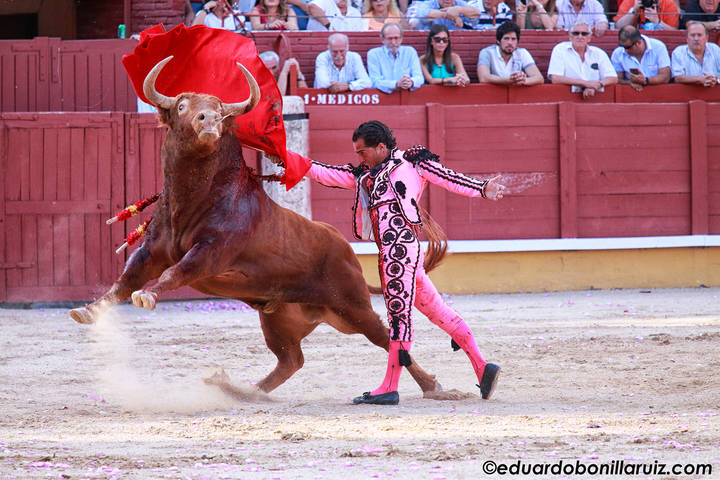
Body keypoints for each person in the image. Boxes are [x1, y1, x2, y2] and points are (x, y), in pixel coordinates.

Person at [273, 121, 505, 405]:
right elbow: (327, 173)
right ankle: (482, 367)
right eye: (358, 153)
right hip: (404, 252)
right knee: (437, 311)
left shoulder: (412, 162)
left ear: (381, 147)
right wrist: (288, 158)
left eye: (363, 152)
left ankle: (389, 386)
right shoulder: (366, 174)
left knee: (399, 318)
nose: (360, 158)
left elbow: (449, 178)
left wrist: (481, 188)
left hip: (398, 253)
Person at [548, 21, 618, 98]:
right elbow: (556, 78)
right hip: (566, 97)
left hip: (595, 98)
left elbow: (613, 78)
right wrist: (586, 84)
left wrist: (596, 85)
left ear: (589, 38)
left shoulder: (598, 53)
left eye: (584, 34)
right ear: (570, 36)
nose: (580, 36)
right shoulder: (560, 49)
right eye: (576, 33)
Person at [477, 21, 544, 86]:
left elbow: (539, 78)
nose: (510, 43)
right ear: (498, 41)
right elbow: (483, 77)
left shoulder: (522, 53)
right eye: (506, 39)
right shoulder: (487, 52)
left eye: (513, 39)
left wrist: (523, 80)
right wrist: (508, 81)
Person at [367, 22, 424, 93]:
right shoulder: (373, 54)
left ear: (401, 38)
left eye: (396, 38)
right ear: (382, 39)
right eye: (390, 38)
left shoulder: (410, 52)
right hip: (383, 99)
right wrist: (396, 84)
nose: (393, 42)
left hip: (407, 97)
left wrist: (411, 82)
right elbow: (374, 82)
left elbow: (419, 78)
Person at [611, 25, 670, 91]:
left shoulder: (658, 47)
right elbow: (617, 79)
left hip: (658, 93)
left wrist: (646, 81)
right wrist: (629, 83)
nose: (625, 51)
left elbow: (665, 77)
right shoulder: (618, 52)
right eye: (622, 46)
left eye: (627, 47)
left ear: (638, 43)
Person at [671, 22, 720, 87]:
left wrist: (716, 80)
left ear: (707, 38)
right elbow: (677, 78)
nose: (696, 39)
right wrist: (700, 79)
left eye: (699, 35)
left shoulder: (715, 49)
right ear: (687, 39)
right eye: (692, 35)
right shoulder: (678, 52)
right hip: (688, 95)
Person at [408, 0, 482, 30]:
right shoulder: (428, 4)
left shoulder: (459, 3)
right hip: (431, 45)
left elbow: (477, 14)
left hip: (456, 43)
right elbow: (423, 14)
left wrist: (459, 10)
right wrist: (450, 16)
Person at [614, 0, 679, 30]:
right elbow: (618, 26)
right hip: (634, 41)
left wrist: (658, 22)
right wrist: (633, 11)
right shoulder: (631, 1)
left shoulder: (668, 3)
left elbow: (673, 32)